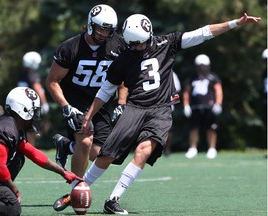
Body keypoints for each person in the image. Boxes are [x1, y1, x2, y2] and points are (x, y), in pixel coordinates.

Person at [80, 13, 261, 214]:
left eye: (141, 44)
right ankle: (78, 188)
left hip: (160, 110)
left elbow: (204, 33)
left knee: (144, 150)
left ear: (149, 35)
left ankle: (113, 199)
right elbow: (106, 90)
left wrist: (235, 23)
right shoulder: (123, 59)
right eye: (133, 45)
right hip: (135, 107)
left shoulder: (167, 43)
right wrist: (89, 115)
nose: (138, 48)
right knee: (107, 155)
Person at [46, 4, 127, 211]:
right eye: (101, 28)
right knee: (86, 140)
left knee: (103, 153)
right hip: (75, 102)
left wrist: (121, 103)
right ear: (90, 25)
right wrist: (66, 107)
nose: (104, 34)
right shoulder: (70, 48)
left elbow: (123, 78)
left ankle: (67, 146)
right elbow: (53, 81)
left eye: (109, 30)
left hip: (101, 103)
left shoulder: (117, 45)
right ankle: (76, 189)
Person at [0, 87, 80, 216]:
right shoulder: (7, 130)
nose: (35, 116)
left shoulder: (11, 126)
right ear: (23, 110)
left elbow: (34, 153)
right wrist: (14, 191)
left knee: (19, 157)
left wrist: (63, 172)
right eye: (34, 111)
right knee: (12, 208)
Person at [182, 54, 222, 159]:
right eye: (200, 66)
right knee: (193, 128)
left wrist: (218, 103)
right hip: (195, 107)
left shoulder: (213, 77)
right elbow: (186, 92)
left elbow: (218, 90)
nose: (202, 68)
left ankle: (212, 149)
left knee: (211, 128)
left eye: (204, 66)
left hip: (209, 107)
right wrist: (186, 105)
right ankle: (193, 148)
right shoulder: (192, 78)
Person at [17, 51, 50, 146]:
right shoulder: (32, 74)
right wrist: (44, 103)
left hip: (20, 105)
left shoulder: (23, 74)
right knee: (31, 131)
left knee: (23, 129)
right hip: (30, 105)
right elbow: (38, 88)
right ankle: (29, 150)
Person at [163, 70, 181, 156]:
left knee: (168, 129)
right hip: (153, 106)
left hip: (167, 106)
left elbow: (176, 90)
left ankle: (167, 149)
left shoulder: (172, 74)